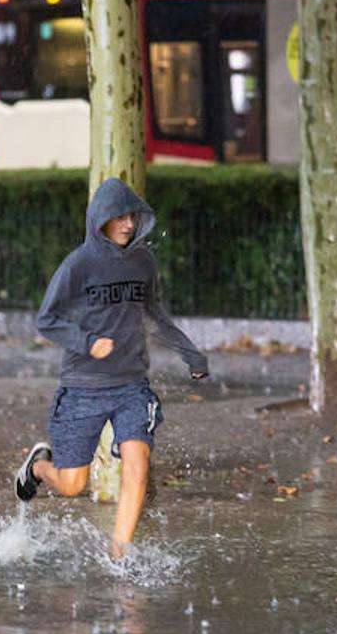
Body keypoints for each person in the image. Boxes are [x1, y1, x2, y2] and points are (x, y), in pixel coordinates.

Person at [14, 178, 208, 560]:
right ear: (99, 219)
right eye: (119, 217)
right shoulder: (78, 265)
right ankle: (38, 468)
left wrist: (193, 356)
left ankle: (119, 553)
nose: (128, 225)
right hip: (82, 386)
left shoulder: (143, 262)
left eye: (133, 216)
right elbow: (46, 319)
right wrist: (88, 342)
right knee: (72, 485)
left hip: (131, 386)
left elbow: (154, 314)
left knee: (138, 463)